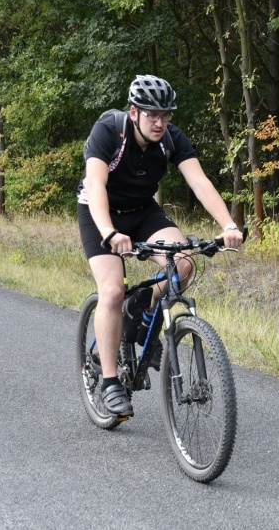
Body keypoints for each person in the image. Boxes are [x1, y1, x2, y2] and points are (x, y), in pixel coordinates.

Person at [76, 74, 243, 416]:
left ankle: (145, 321)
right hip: (100, 212)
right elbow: (95, 185)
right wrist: (109, 232)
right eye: (152, 114)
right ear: (134, 112)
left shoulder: (170, 139)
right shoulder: (110, 130)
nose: (160, 122)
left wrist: (227, 224)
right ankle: (109, 382)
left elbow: (199, 182)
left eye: (165, 115)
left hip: (142, 211)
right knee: (111, 292)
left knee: (183, 263)